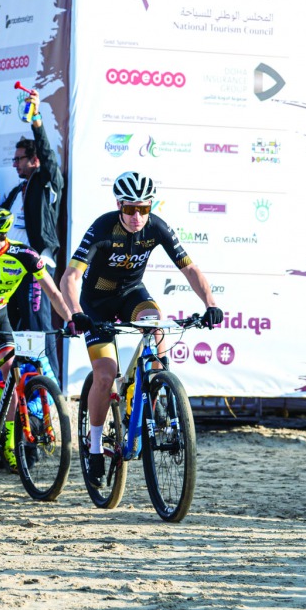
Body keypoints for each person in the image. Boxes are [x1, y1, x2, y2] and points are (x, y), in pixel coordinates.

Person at [61, 172, 222, 480]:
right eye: (130, 209)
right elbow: (70, 277)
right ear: (119, 205)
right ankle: (95, 447)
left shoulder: (156, 227)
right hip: (96, 304)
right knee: (105, 375)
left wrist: (210, 304)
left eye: (143, 209)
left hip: (132, 295)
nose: (137, 217)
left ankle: (155, 383)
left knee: (156, 325)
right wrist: (75, 312)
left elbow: (190, 268)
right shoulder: (102, 228)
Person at [0, 206, 73, 469]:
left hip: (0, 314)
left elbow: (54, 294)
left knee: (12, 373)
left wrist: (70, 319)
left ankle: (9, 442)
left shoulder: (25, 255)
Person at [2, 88, 64, 377]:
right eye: (13, 160)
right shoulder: (17, 191)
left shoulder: (46, 181)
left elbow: (50, 155)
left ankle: (49, 393)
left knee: (40, 328)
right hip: (12, 268)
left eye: (19, 159)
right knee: (14, 326)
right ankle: (23, 389)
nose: (15, 164)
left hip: (37, 266)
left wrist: (36, 119)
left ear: (34, 160)